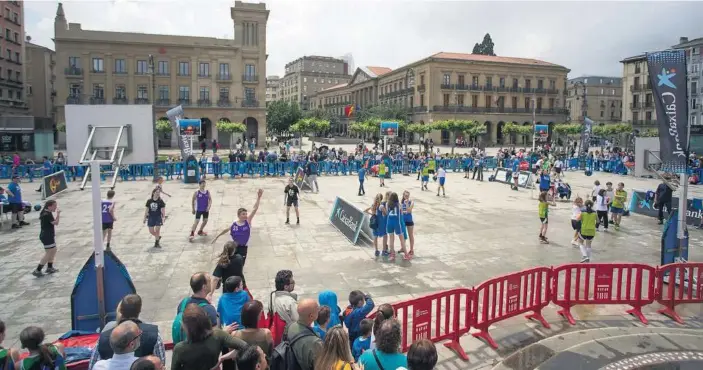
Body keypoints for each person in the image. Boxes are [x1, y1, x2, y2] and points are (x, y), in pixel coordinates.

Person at [90, 294, 166, 369]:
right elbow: (161, 364)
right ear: (132, 344)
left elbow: (92, 364)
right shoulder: (141, 364)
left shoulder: (99, 366)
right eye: (139, 334)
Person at [170, 304, 249, 370]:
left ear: (186, 327)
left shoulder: (180, 349)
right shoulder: (218, 335)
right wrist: (224, 357)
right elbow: (246, 346)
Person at [212, 189, 263, 266]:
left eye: (246, 214)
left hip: (243, 248)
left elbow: (254, 209)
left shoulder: (248, 221)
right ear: (238, 215)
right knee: (231, 263)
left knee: (240, 264)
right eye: (243, 214)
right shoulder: (234, 224)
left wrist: (259, 198)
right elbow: (226, 230)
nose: (245, 215)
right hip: (234, 247)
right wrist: (217, 237)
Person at [283, 299, 323, 370]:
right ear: (311, 316)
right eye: (317, 309)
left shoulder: (290, 326)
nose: (319, 310)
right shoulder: (315, 343)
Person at [33, 200, 61, 277]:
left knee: (54, 250)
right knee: (49, 253)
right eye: (54, 206)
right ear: (49, 206)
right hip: (47, 236)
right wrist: (58, 215)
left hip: (48, 235)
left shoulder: (46, 212)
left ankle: (49, 267)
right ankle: (37, 270)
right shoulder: (47, 214)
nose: (56, 207)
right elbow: (56, 223)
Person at [383, 192, 408, 261]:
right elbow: (402, 213)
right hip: (397, 223)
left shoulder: (387, 204)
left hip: (389, 223)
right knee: (402, 239)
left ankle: (392, 255)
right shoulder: (399, 205)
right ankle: (406, 255)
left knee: (391, 240)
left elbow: (387, 212)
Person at [365, 194, 386, 258]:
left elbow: (365, 211)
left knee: (375, 236)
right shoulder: (381, 206)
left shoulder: (372, 205)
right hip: (381, 222)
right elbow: (385, 214)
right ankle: (384, 250)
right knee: (384, 236)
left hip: (374, 222)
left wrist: (372, 214)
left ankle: (376, 250)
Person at [401, 191, 415, 258]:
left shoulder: (411, 202)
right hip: (403, 220)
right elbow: (400, 211)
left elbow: (409, 210)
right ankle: (403, 248)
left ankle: (411, 249)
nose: (406, 197)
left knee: (410, 235)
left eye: (407, 196)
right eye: (405, 195)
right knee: (403, 235)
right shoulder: (401, 202)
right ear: (403, 195)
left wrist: (406, 204)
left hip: (409, 220)